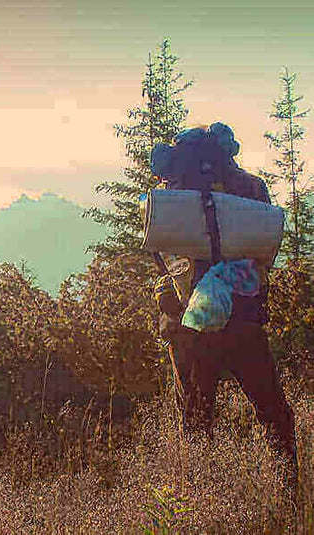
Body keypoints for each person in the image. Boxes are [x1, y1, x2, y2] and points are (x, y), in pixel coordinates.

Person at [150, 123, 298, 487]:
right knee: (273, 413)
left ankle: (199, 504)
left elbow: (160, 249)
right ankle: (290, 494)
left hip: (188, 322)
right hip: (242, 317)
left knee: (197, 420)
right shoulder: (250, 188)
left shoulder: (172, 194)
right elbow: (267, 251)